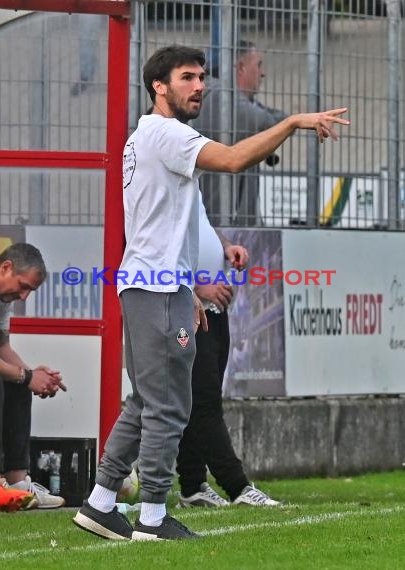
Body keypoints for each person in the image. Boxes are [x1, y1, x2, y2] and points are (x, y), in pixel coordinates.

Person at [73, 44, 349, 542]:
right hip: (157, 290)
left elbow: (168, 226)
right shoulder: (168, 133)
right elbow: (234, 158)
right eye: (187, 77)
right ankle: (153, 518)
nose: (199, 85)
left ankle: (100, 502)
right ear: (159, 86)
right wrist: (291, 123)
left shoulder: (145, 136)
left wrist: (189, 291)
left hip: (155, 286)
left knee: (145, 402)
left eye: (201, 77)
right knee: (170, 405)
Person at [176, 197, 281, 508]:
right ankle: (238, 487)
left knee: (196, 402)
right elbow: (154, 252)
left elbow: (202, 228)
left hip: (213, 313)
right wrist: (196, 287)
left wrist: (224, 245)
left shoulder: (189, 184)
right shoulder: (162, 186)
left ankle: (192, 486)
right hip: (186, 316)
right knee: (202, 401)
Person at [0, 243, 67, 509]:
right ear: (6, 267)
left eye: (30, 291)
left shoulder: (1, 298)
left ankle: (17, 483)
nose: (24, 297)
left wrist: (33, 376)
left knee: (16, 383)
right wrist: (26, 376)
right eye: (23, 286)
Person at [193, 39, 288, 226]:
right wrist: (291, 123)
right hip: (218, 223)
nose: (263, 73)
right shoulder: (222, 98)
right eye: (259, 65)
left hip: (214, 220)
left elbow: (266, 115)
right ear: (242, 68)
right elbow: (267, 122)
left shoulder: (228, 99)